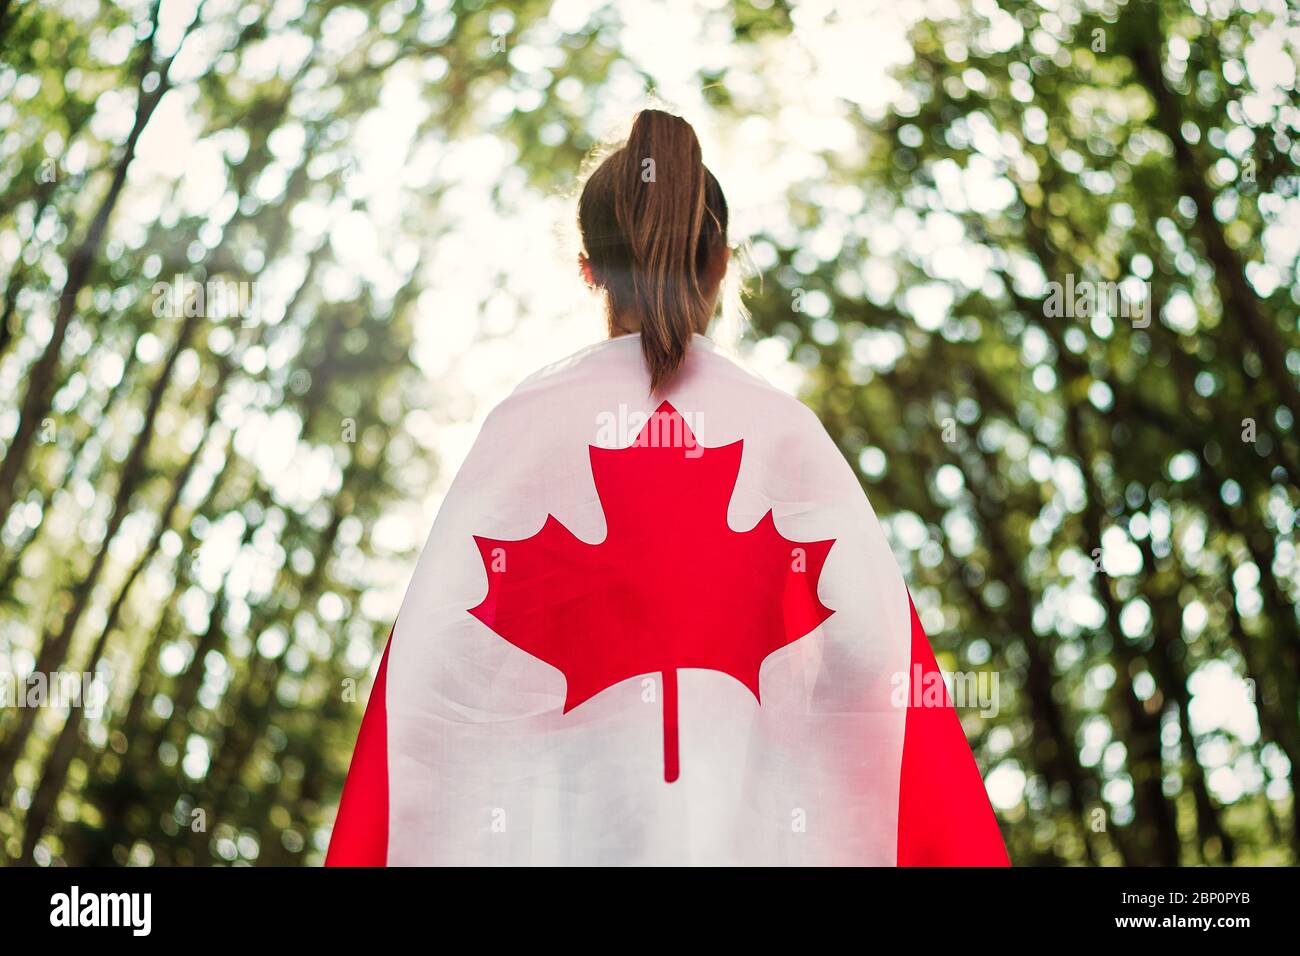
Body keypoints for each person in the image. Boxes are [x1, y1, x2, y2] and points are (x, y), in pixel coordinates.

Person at [327, 109, 1008, 866]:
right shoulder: (787, 436)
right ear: (720, 262)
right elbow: (877, 678)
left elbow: (437, 683)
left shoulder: (523, 429)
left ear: (586, 268)